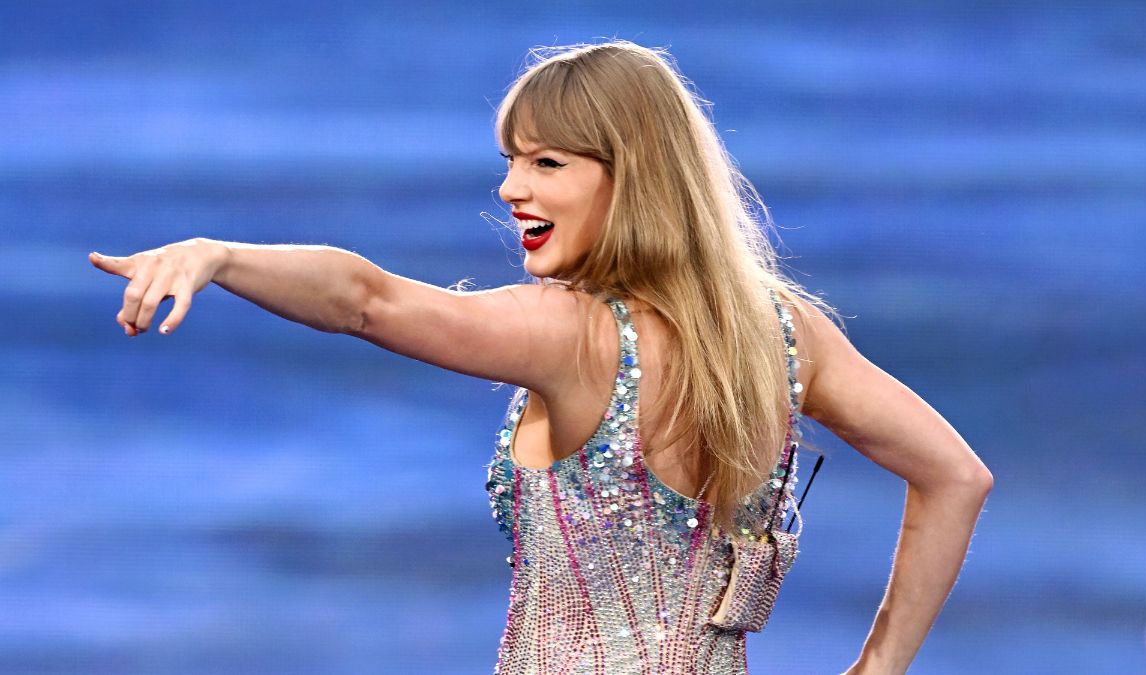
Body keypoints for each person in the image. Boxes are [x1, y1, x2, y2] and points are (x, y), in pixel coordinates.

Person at [88, 40, 992, 675]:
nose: (512, 186)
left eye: (548, 162)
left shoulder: (576, 335)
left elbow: (368, 300)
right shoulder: (786, 332)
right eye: (512, 160)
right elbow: (956, 476)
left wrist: (221, 256)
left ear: (629, 174)